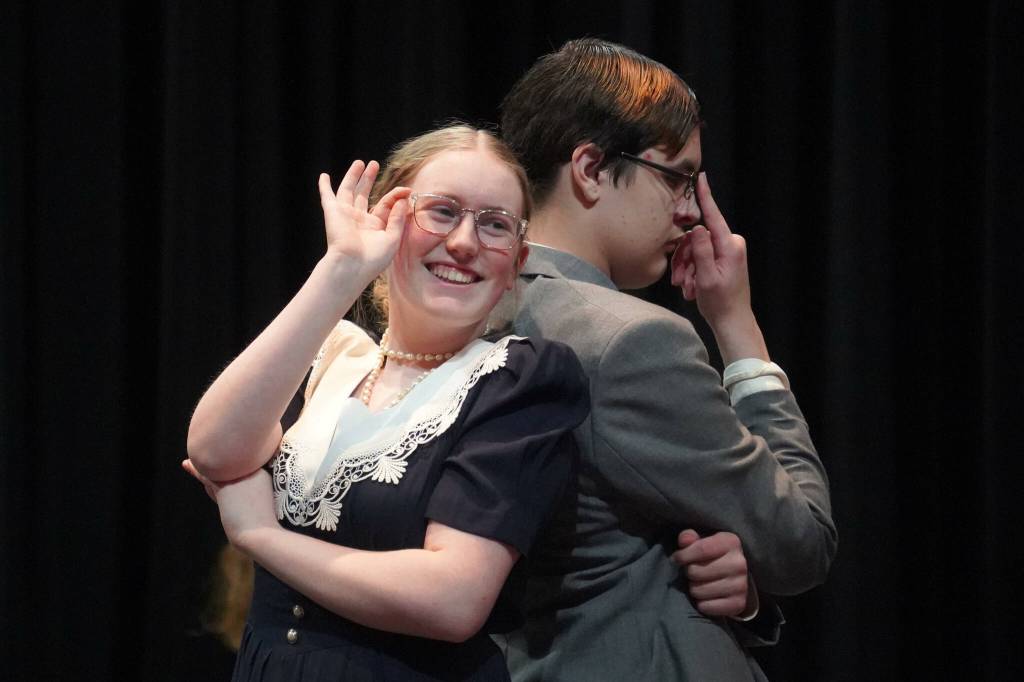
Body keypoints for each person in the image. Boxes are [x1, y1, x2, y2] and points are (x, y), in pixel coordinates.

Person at [183, 124, 591, 681]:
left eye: (494, 225)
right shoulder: (336, 358)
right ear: (389, 219)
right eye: (443, 212)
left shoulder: (515, 381)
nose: (466, 242)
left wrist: (260, 537)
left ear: (515, 262)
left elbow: (452, 600)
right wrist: (342, 269)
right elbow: (213, 448)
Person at [492, 39, 838, 681]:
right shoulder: (631, 340)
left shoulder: (464, 309)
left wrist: (734, 580)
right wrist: (735, 322)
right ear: (591, 169)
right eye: (678, 176)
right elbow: (800, 541)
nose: (689, 211)